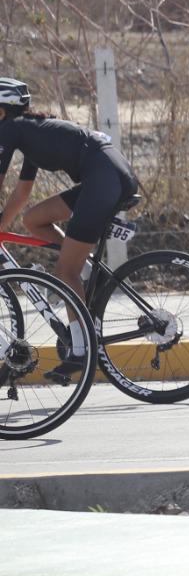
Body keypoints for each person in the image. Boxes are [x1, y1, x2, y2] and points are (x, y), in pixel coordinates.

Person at [0, 76, 140, 382]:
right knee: (33, 219)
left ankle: (80, 349)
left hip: (104, 179)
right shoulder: (28, 130)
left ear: (2, 111)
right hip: (107, 173)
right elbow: (22, 194)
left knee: (65, 273)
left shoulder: (10, 129)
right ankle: (89, 271)